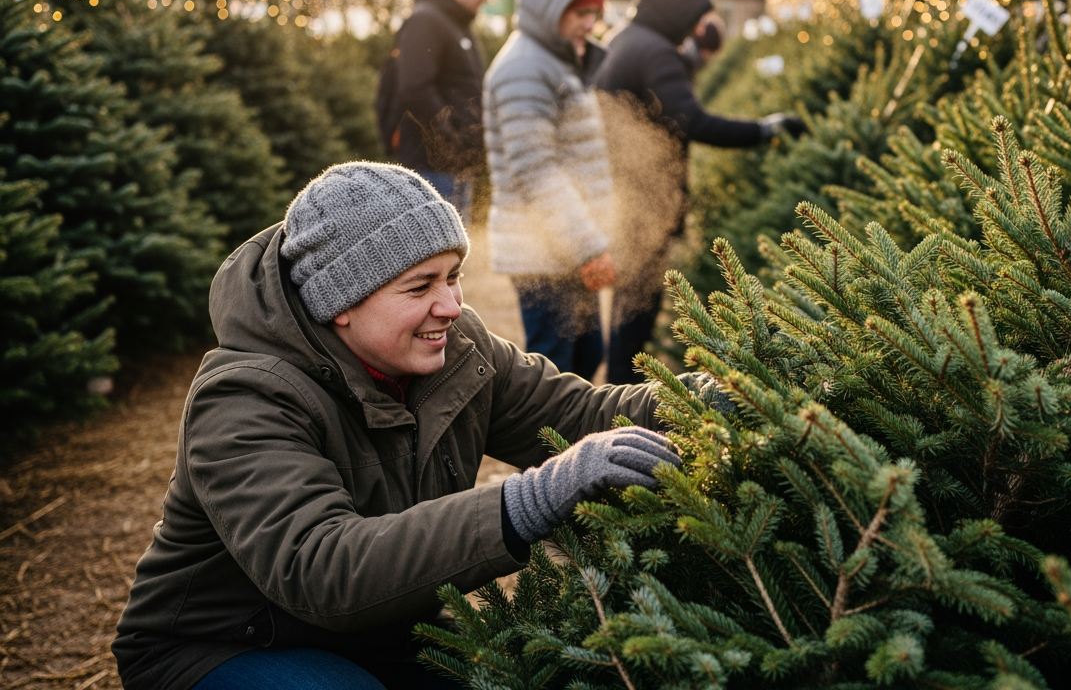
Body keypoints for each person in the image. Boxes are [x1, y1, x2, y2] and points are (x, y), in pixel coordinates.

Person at [111, 162, 684, 690]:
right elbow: (321, 567)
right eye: (420, 286)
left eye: (453, 276)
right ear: (342, 302)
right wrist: (529, 500)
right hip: (221, 649)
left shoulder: (458, 351)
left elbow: (581, 417)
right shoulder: (244, 397)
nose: (451, 306)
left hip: (381, 633)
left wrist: (720, 396)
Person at [592, 0, 804, 384]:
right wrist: (766, 129)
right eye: (693, 17)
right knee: (636, 310)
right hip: (646, 198)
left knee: (627, 304)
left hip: (624, 191)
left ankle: (618, 390)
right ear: (675, 11)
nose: (695, 30)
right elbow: (693, 121)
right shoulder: (655, 51)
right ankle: (620, 401)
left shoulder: (625, 39)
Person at [482, 0, 616, 379]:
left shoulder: (557, 59)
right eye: (581, 13)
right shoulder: (524, 67)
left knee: (587, 354)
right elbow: (536, 171)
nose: (590, 24)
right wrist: (589, 246)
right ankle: (549, 448)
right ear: (549, 8)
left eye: (595, 13)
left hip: (566, 247)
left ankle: (572, 444)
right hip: (543, 251)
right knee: (556, 371)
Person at [384, 0, 492, 210]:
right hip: (432, 167)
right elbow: (415, 87)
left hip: (455, 164)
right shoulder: (426, 21)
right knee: (439, 245)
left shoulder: (457, 23)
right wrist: (450, 137)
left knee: (456, 242)